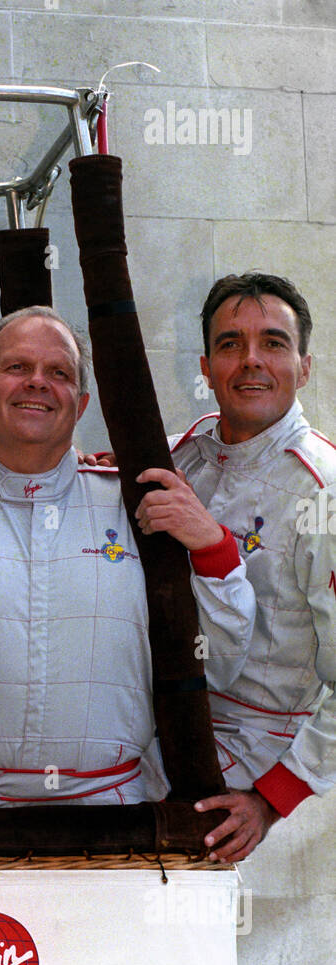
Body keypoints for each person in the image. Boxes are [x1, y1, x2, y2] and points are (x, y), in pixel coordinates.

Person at [0, 305, 256, 843]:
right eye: (17, 367)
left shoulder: (138, 510)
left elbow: (220, 664)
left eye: (59, 373)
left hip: (111, 823)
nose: (37, 384)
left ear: (82, 404)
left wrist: (213, 548)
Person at [136, 272, 336, 863]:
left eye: (273, 343)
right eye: (231, 344)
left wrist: (273, 799)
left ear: (303, 367)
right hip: (159, 737)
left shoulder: (323, 489)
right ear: (205, 366)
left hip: (254, 782)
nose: (251, 361)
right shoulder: (186, 454)